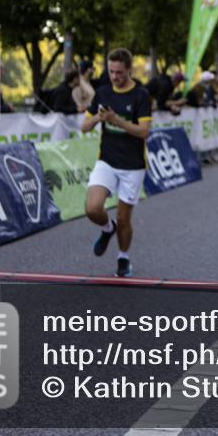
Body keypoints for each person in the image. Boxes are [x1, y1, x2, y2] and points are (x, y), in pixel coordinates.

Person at [81, 48, 152, 278]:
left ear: (129, 70)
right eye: (111, 71)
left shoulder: (141, 95)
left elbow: (144, 132)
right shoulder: (102, 93)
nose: (114, 76)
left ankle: (123, 258)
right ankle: (107, 228)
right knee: (92, 208)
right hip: (107, 161)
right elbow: (84, 127)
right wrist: (97, 118)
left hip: (133, 165)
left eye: (119, 72)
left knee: (123, 218)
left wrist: (117, 121)